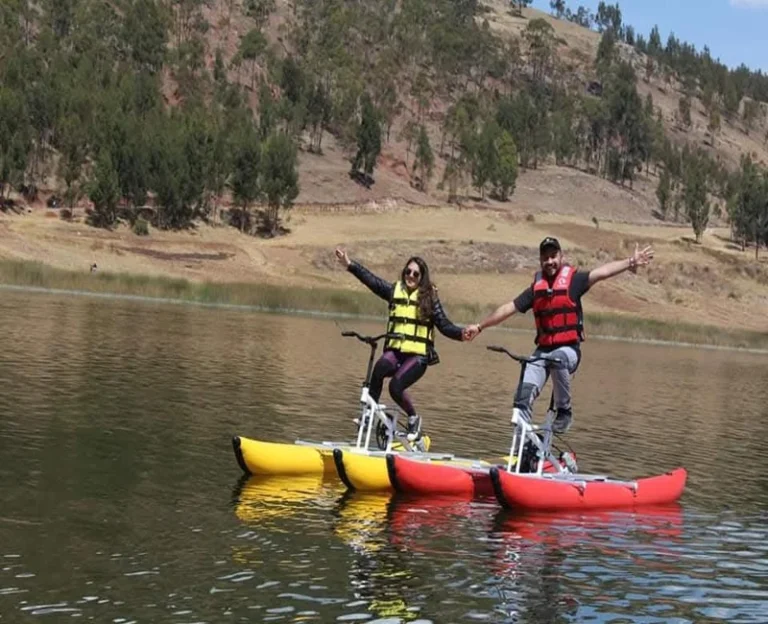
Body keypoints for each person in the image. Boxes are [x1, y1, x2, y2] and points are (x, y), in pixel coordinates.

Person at [464, 237, 654, 434]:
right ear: (540, 261)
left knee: (557, 360)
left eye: (553, 256)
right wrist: (480, 327)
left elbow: (603, 272)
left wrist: (630, 262)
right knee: (522, 398)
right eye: (545, 258)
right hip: (542, 351)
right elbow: (507, 309)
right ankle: (523, 449)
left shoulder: (574, 281)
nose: (549, 262)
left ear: (561, 256)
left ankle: (564, 411)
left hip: (568, 351)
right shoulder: (535, 289)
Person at [335, 248, 465, 440]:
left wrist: (462, 333)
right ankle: (368, 414)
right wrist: (350, 265)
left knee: (395, 387)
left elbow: (445, 325)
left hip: (418, 357)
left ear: (422, 278)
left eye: (415, 274)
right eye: (408, 272)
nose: (410, 276)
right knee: (379, 368)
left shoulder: (429, 299)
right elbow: (372, 281)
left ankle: (413, 419)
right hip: (396, 352)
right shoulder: (394, 291)